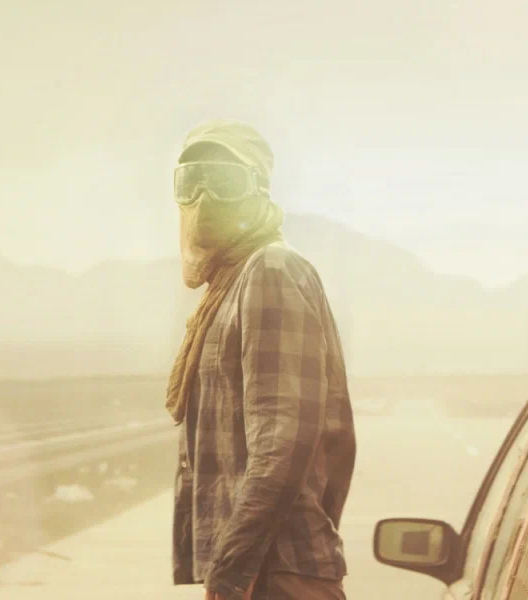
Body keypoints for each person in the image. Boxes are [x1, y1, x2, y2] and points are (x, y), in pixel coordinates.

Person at [167, 120, 356, 600]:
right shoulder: (228, 285)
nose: (205, 196)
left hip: (273, 575)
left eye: (224, 181)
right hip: (262, 572)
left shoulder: (270, 270)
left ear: (258, 191)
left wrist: (232, 571)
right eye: (192, 181)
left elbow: (282, 442)